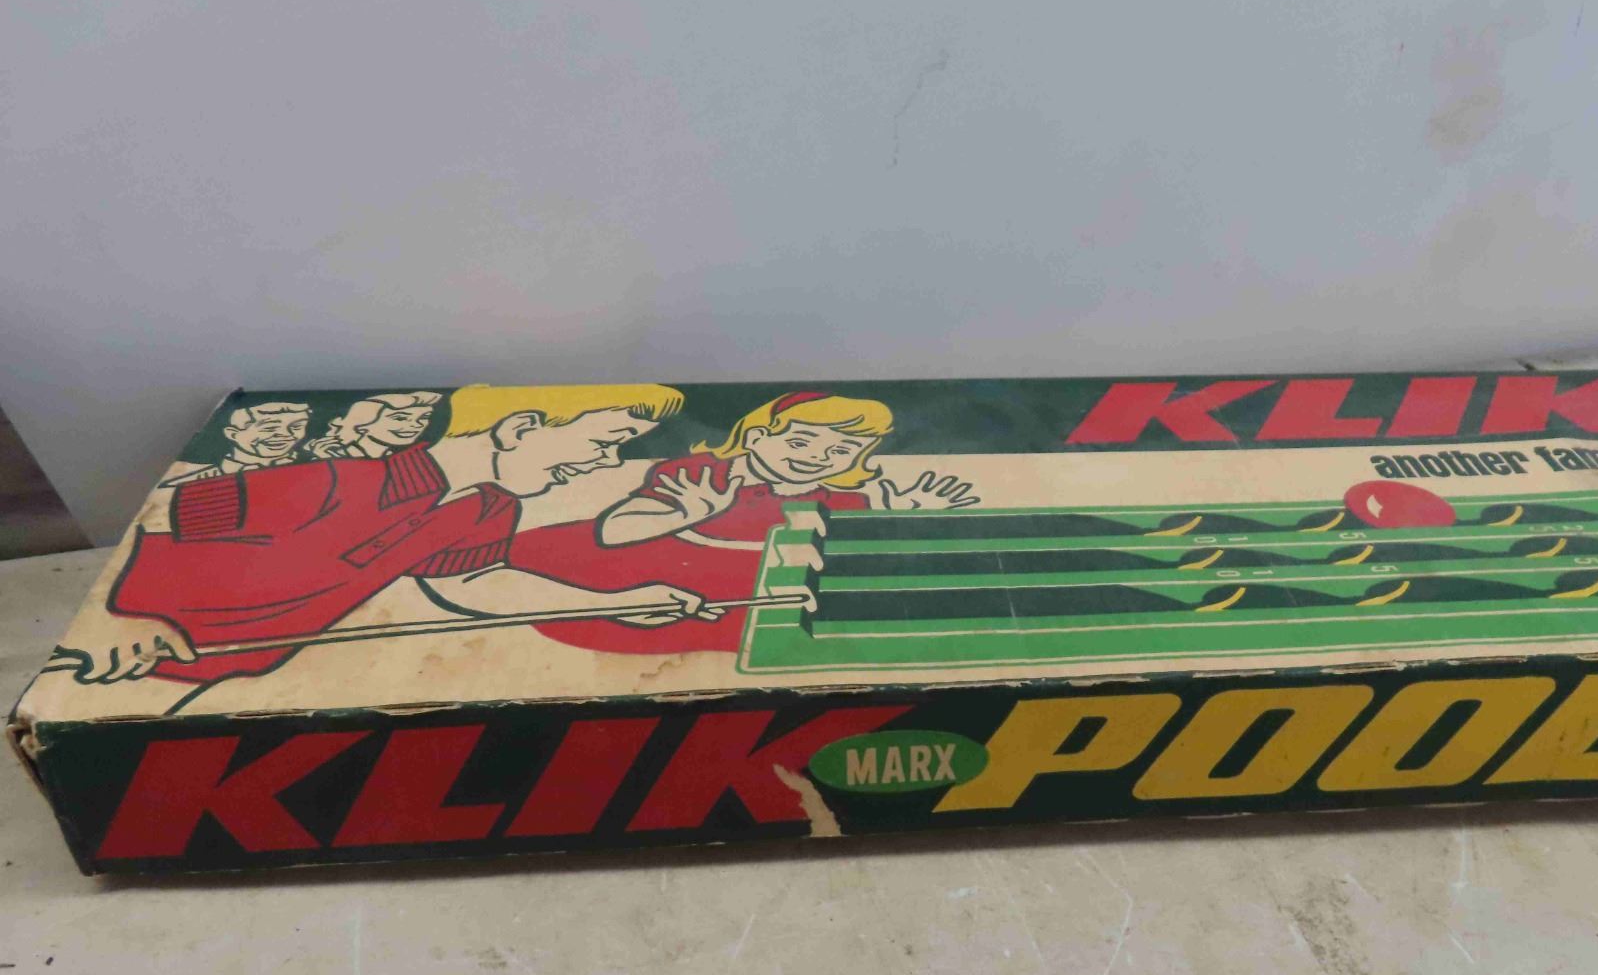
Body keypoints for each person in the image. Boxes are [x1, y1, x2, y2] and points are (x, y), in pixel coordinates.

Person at [59, 383, 712, 710]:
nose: (603, 464)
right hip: (126, 659)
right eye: (604, 444)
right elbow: (163, 514)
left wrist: (617, 600)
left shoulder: (489, 507)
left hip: (227, 674)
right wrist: (117, 619)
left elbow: (476, 583)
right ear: (517, 429)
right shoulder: (335, 481)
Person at [507, 390, 977, 655]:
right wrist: (687, 513)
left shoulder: (839, 497)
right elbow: (613, 532)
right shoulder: (702, 476)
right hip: (652, 583)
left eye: (839, 451)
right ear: (755, 436)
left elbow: (858, 555)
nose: (817, 458)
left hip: (746, 599)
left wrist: (906, 516)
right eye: (800, 442)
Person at [164, 401, 311, 483]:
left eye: (296, 426)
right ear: (233, 434)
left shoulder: (311, 474)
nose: (286, 435)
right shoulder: (188, 484)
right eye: (269, 427)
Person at [303, 391, 442, 460]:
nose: (416, 425)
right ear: (363, 424)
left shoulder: (399, 460)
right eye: (400, 418)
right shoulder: (335, 456)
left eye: (424, 417)